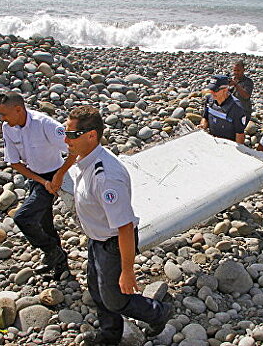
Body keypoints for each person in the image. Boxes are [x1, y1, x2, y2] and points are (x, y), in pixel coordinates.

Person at [64, 106, 173, 345]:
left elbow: (124, 227)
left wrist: (127, 271)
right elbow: (72, 156)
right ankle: (110, 336)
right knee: (96, 288)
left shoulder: (106, 177)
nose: (66, 140)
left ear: (91, 135)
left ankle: (158, 312)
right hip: (97, 239)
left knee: (115, 298)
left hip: (113, 243)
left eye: (71, 135)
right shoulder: (87, 158)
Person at [0, 92, 76, 280]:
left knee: (23, 217)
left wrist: (59, 175)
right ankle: (60, 264)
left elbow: (74, 148)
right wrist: (41, 182)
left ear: (18, 109)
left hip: (55, 173)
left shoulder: (44, 124)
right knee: (44, 221)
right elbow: (14, 162)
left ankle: (52, 252)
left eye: (4, 114)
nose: (2, 119)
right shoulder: (8, 127)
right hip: (37, 177)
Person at [199, 75, 246, 144]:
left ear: (225, 90)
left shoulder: (236, 108)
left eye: (215, 90)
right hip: (213, 141)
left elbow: (240, 135)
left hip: (228, 145)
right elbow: (205, 117)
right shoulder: (209, 100)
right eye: (211, 90)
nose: (212, 93)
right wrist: (203, 125)